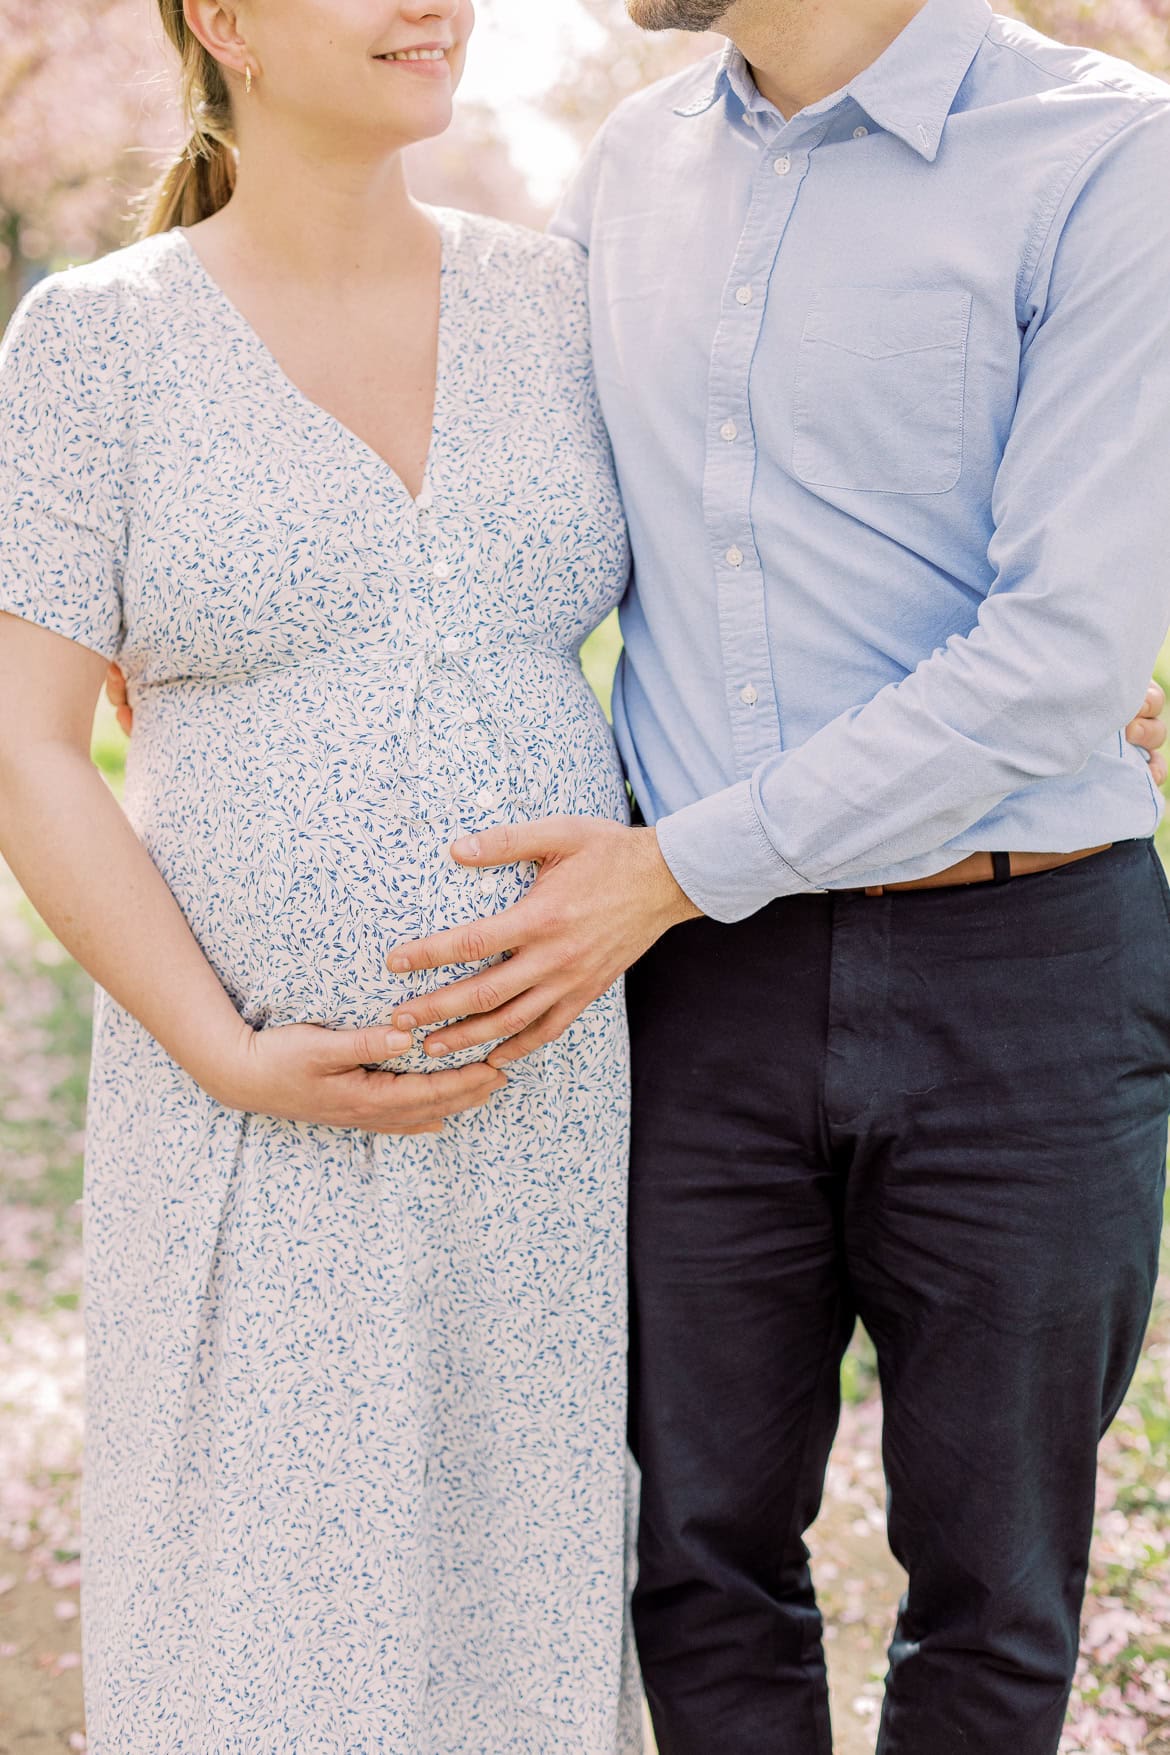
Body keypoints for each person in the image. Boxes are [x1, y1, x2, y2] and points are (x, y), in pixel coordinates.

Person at [384, 0, 1170, 1750]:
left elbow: (1057, 649)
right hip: (694, 989)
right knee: (692, 1552)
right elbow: (531, 521)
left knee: (994, 1585)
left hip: (1019, 970)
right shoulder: (628, 172)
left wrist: (676, 867)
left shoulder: (1111, 157)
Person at [0, 1, 649, 1748]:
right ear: (223, 22)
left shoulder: (562, 300)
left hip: (547, 1115)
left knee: (519, 1625)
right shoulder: (95, 344)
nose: (435, 4)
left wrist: (1025, 685)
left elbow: (760, 552)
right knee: (262, 1649)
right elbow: (29, 743)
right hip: (245, 1125)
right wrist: (222, 1047)